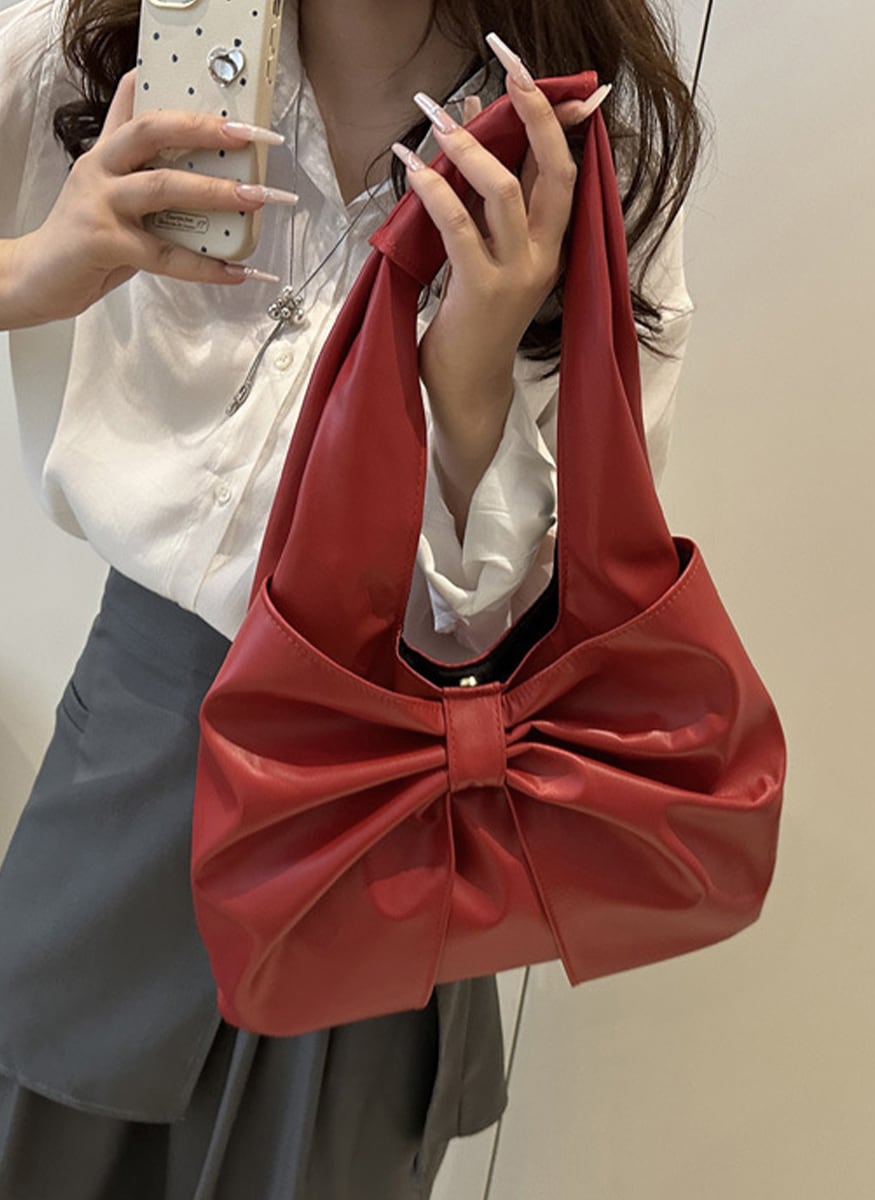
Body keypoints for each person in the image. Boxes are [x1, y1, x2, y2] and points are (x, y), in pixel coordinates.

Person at [0, 0, 702, 1195]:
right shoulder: (105, 54)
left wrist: (467, 393)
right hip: (128, 767)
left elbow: (562, 602)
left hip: (392, 806)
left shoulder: (587, 156)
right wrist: (30, 271)